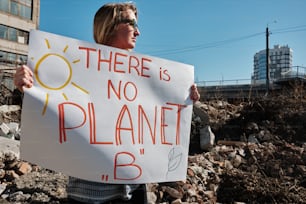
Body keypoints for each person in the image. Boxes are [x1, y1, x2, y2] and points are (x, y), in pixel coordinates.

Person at [14, 2, 200, 204]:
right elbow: (52, 111)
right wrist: (27, 87)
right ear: (110, 25)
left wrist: (184, 98)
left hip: (134, 191)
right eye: (132, 23)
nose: (138, 32)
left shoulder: (145, 78)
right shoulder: (77, 69)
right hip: (89, 194)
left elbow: (156, 123)